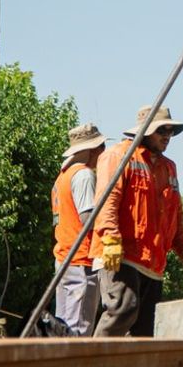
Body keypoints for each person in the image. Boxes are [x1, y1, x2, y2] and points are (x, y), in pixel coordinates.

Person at [92, 105, 183, 337]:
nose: (168, 136)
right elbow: (107, 200)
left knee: (145, 328)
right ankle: (93, 363)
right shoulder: (118, 156)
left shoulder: (169, 168)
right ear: (146, 131)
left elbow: (174, 212)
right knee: (123, 309)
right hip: (120, 254)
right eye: (162, 131)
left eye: (170, 131)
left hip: (152, 261)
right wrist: (109, 238)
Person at [50, 122, 106, 335]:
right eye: (101, 148)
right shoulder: (83, 175)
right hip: (81, 260)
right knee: (78, 329)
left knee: (62, 327)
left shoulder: (62, 177)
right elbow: (87, 219)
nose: (103, 153)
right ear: (92, 150)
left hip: (64, 258)